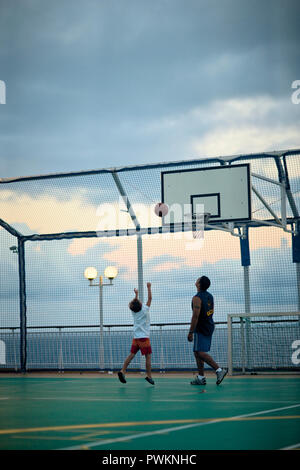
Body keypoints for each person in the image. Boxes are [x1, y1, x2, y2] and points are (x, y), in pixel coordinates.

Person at [188, 276, 227, 385]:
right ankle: (201, 377)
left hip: (201, 327)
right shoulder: (210, 296)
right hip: (209, 325)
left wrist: (191, 332)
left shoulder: (197, 298)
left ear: (199, 284)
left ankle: (219, 370)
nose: (196, 280)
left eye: (198, 279)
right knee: (197, 352)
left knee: (199, 352)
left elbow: (195, 316)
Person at [118, 282, 154, 385]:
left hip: (136, 338)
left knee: (131, 355)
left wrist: (136, 294)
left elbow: (135, 303)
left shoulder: (133, 312)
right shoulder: (145, 309)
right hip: (144, 338)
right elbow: (150, 299)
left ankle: (123, 370)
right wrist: (149, 287)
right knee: (148, 357)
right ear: (140, 304)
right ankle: (149, 376)